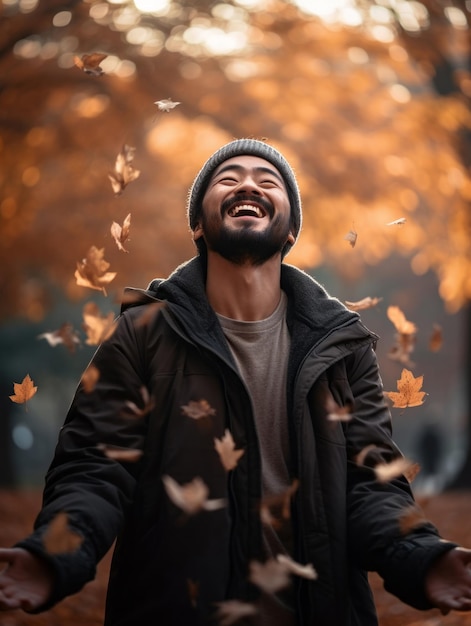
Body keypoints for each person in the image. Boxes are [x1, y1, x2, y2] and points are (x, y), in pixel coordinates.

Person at [1, 138, 471, 626]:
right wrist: (52, 557)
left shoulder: (342, 347)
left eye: (268, 181)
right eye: (228, 178)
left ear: (290, 232)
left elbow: (372, 486)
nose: (248, 183)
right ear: (199, 224)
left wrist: (422, 559)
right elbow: (95, 472)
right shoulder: (142, 335)